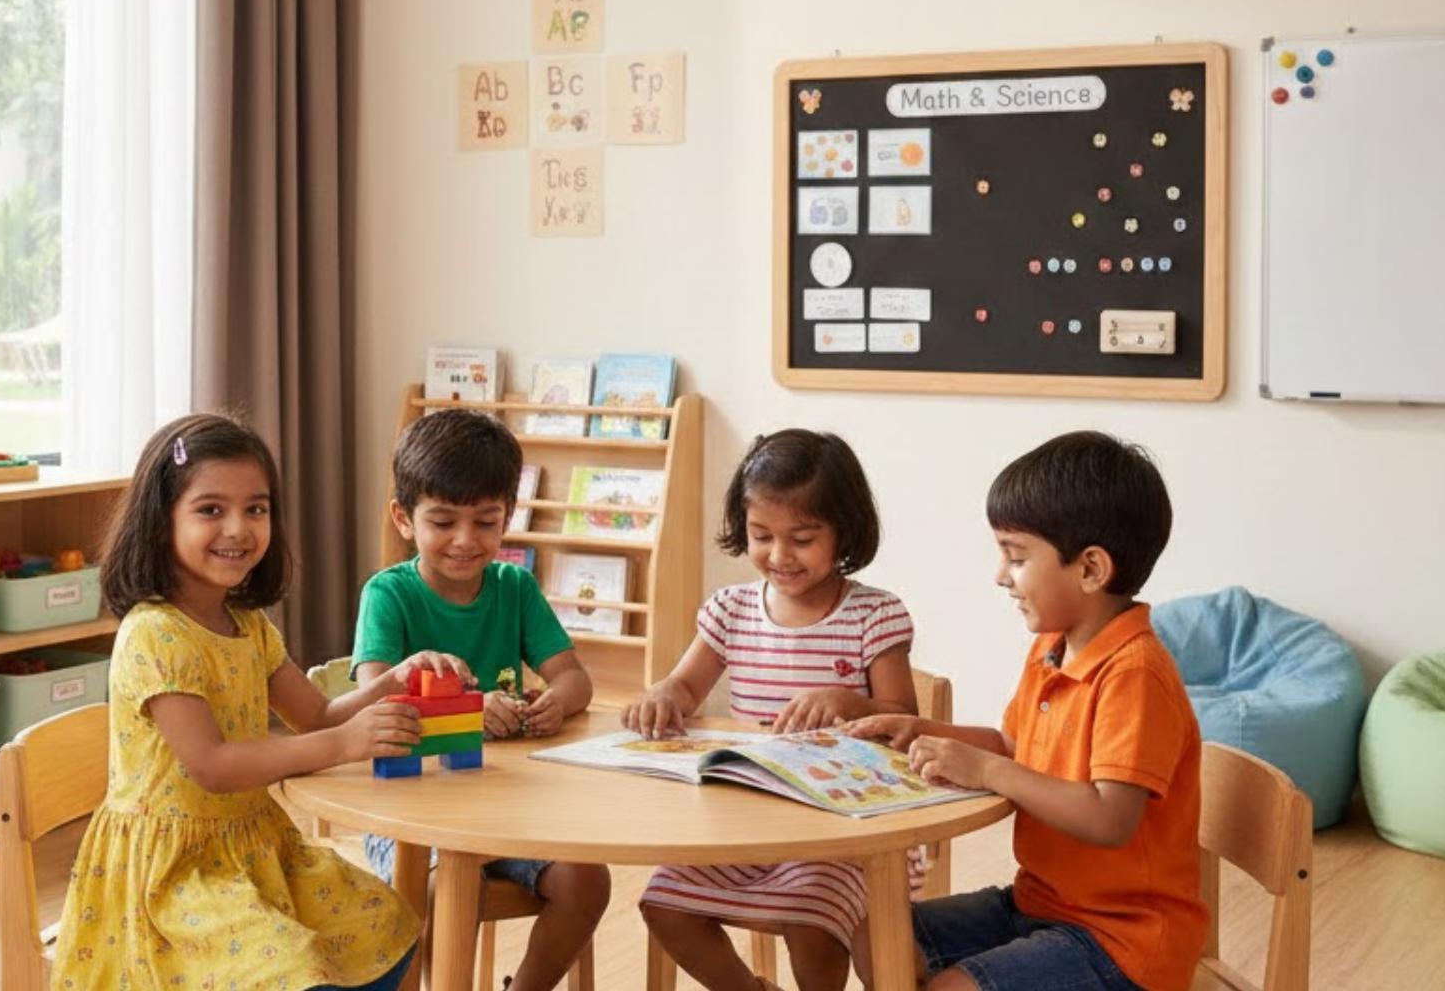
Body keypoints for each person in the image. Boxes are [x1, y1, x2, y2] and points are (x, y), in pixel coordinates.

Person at [50, 411, 471, 991]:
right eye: (210, 509)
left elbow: (317, 716)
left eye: (256, 508)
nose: (238, 528)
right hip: (171, 876)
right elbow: (214, 766)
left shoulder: (248, 624)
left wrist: (393, 679)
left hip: (254, 849)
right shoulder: (155, 633)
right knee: (294, 972)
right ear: (159, 522)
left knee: (390, 929)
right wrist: (344, 744)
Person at [842, 430, 1205, 991]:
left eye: (1016, 556)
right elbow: (1017, 749)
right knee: (876, 935)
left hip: (1123, 942)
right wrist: (923, 730)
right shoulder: (1053, 646)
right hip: (1041, 902)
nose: (1000, 574)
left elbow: (1110, 818)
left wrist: (987, 771)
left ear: (1090, 569)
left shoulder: (1135, 674)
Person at [625, 429, 920, 991]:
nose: (779, 556)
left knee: (810, 917)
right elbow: (684, 689)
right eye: (762, 535)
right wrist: (664, 692)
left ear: (844, 532)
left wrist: (849, 703)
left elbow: (901, 718)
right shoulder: (731, 610)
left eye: (803, 538)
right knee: (663, 902)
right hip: (747, 829)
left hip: (845, 838)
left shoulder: (873, 617)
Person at [351, 407, 611, 991]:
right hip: (415, 815)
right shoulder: (388, 594)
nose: (465, 541)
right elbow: (373, 701)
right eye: (442, 522)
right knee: (447, 893)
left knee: (586, 880)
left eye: (485, 521)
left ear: (507, 518)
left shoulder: (513, 587)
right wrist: (468, 707)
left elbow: (574, 679)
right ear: (404, 518)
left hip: (509, 806)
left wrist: (555, 702)